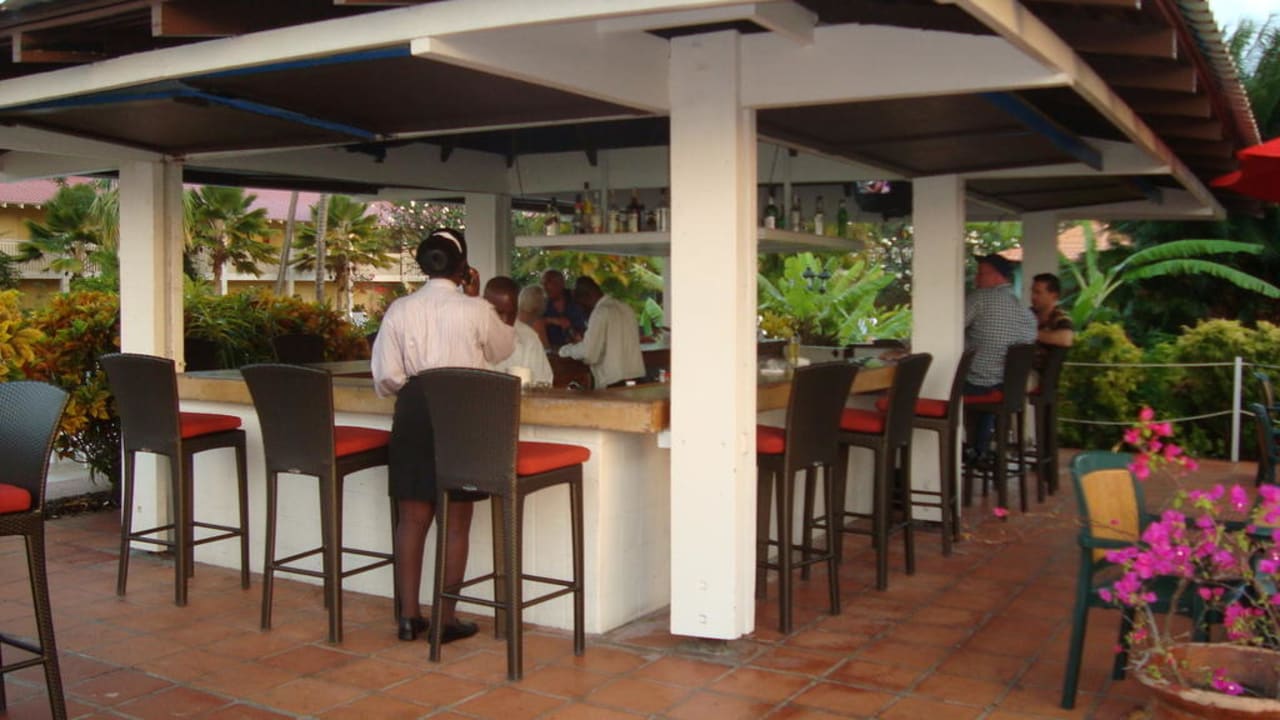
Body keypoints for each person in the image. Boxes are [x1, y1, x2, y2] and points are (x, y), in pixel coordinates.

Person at [370, 228, 515, 644]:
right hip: (462, 411)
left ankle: (408, 616)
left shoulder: (400, 309)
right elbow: (503, 349)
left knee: (412, 517)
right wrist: (476, 297)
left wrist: (415, 389)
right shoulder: (476, 310)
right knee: (456, 519)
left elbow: (385, 376)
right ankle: (446, 618)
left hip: (414, 408)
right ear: (463, 267)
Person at [964, 253, 1037, 455]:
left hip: (980, 386)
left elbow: (949, 328)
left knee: (942, 384)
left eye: (981, 274)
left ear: (997, 276)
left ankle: (965, 451)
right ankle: (979, 448)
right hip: (1010, 389)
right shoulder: (1026, 310)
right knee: (985, 378)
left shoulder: (980, 298)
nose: (976, 279)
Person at [558, 276, 646, 389]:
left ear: (585, 297)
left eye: (579, 304)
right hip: (637, 381)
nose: (581, 309)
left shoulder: (600, 312)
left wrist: (565, 350)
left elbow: (589, 353)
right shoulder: (626, 307)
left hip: (615, 384)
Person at [483, 276, 554, 386]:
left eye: (511, 313)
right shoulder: (471, 334)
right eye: (499, 313)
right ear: (484, 307)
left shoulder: (529, 338)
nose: (505, 320)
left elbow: (544, 383)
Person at [541, 269, 587, 348]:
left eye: (548, 282)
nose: (544, 286)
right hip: (552, 352)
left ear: (561, 283)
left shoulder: (577, 299)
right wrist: (552, 320)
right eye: (542, 283)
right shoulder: (541, 303)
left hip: (578, 350)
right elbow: (533, 321)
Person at [1030, 272, 1074, 350]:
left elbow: (1065, 339)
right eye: (1032, 292)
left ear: (1054, 296)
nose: (1033, 296)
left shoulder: (1061, 318)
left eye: (1038, 292)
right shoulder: (1026, 314)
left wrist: (1027, 333)